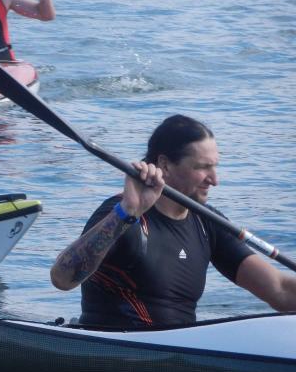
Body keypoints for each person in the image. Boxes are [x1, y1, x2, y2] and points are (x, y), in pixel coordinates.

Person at [50, 114, 296, 328]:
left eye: (215, 167)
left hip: (181, 354)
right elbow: (62, 279)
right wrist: (127, 212)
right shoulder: (121, 213)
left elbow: (279, 291)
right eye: (203, 167)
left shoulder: (206, 222)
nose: (214, 179)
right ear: (165, 165)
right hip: (115, 353)